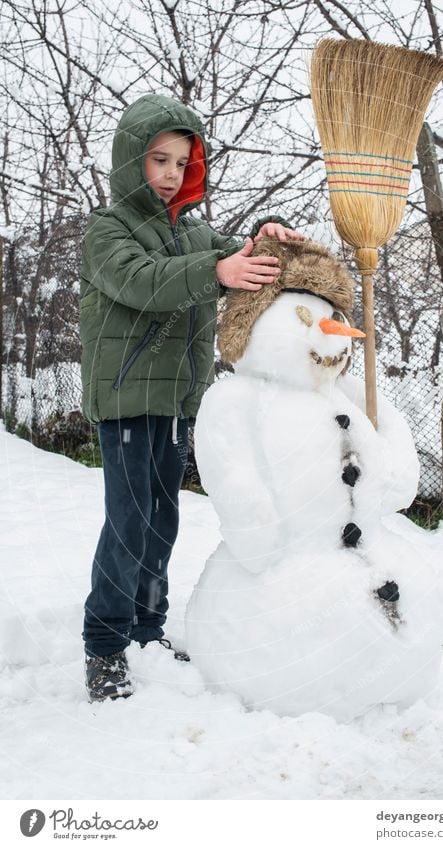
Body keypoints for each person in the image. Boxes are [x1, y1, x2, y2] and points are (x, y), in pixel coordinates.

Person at [80, 93, 304, 702]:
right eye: (159, 159)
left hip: (178, 399)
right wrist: (218, 271)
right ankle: (104, 645)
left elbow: (235, 257)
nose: (171, 174)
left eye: (182, 162)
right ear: (132, 160)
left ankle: (148, 629)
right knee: (129, 522)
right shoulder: (109, 230)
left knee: (162, 520)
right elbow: (141, 281)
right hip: (127, 398)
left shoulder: (196, 232)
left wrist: (264, 239)